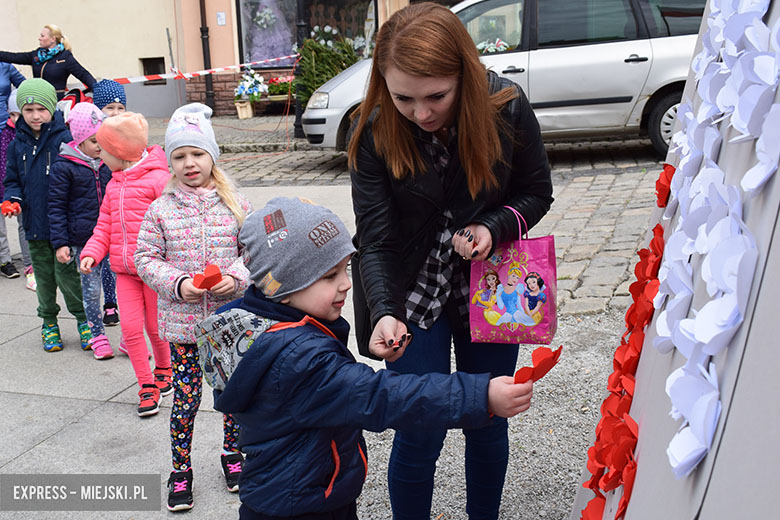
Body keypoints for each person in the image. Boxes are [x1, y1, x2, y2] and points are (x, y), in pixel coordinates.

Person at [196, 196, 534, 519]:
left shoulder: (258, 329)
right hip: (308, 505)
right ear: (281, 288)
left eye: (345, 269)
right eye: (330, 277)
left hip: (288, 493)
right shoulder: (299, 359)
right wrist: (480, 395)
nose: (346, 285)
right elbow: (383, 396)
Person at [346, 3, 554, 518]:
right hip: (412, 288)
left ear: (465, 72)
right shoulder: (371, 129)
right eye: (403, 98)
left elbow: (537, 192)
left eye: (436, 96)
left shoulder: (505, 107)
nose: (421, 113)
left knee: (488, 418)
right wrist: (386, 308)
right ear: (382, 86)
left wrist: (492, 226)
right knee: (418, 427)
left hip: (494, 287)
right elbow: (375, 238)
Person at [134, 103, 253, 512]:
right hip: (183, 330)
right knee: (185, 402)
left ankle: (232, 454)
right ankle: (180, 469)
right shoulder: (161, 209)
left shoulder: (234, 202)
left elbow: (253, 251)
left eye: (198, 153)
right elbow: (146, 258)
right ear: (170, 162)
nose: (189, 163)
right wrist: (178, 283)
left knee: (233, 396)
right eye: (180, 156)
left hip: (228, 326)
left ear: (212, 156)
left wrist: (235, 278)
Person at [79, 112, 171, 416]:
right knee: (130, 329)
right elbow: (104, 225)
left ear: (120, 152)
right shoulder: (114, 184)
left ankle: (164, 370)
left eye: (103, 150)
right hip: (124, 272)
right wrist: (92, 252)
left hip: (154, 271)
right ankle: (146, 385)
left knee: (156, 329)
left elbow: (173, 222)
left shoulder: (159, 180)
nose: (100, 155)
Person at [2, 78, 91, 352]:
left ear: (52, 108)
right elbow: (12, 179)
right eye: (28, 111)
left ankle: (85, 321)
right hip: (34, 224)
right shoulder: (17, 144)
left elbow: (79, 174)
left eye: (41, 109)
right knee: (43, 279)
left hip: (62, 226)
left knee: (68, 278)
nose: (35, 115)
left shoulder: (65, 138)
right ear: (19, 113)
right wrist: (12, 199)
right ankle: (49, 323)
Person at [48, 102, 115, 360]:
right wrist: (61, 243)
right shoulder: (65, 166)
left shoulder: (108, 161)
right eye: (94, 141)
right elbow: (56, 207)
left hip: (112, 236)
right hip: (83, 240)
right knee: (90, 289)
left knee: (116, 283)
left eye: (103, 140)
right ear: (80, 139)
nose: (100, 146)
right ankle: (96, 334)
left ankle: (120, 324)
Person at [91, 79, 128, 330]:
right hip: (97, 209)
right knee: (102, 258)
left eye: (119, 108)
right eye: (108, 108)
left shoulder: (129, 136)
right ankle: (106, 304)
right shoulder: (92, 139)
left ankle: (117, 302)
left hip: (122, 207)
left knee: (116, 259)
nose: (114, 113)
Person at [1, 68, 35, 287]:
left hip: (21, 185)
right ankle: (4, 260)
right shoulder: (6, 134)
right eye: (12, 115)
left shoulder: (5, 65)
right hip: (5, 182)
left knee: (25, 223)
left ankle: (30, 263)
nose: (15, 119)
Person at [0, 24, 96, 99]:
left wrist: (98, 90)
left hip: (56, 101)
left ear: (52, 39)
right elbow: (13, 57)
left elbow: (83, 74)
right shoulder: (36, 55)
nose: (39, 38)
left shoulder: (65, 57)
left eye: (42, 36)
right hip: (39, 100)